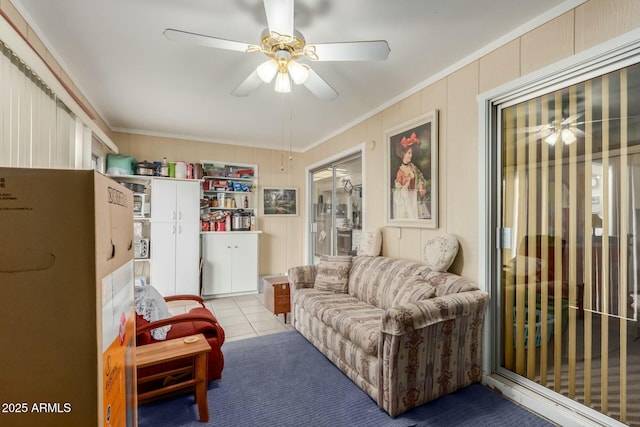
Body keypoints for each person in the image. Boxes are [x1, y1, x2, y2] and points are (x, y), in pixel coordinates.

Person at [393, 132, 430, 219]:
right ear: (403, 154)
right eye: (409, 153)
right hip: (406, 203)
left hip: (415, 200)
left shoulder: (413, 167)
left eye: (411, 153)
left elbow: (420, 176)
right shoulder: (400, 172)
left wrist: (421, 184)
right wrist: (406, 183)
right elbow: (398, 193)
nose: (410, 155)